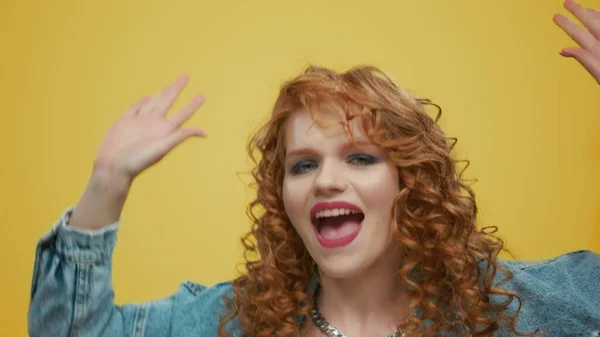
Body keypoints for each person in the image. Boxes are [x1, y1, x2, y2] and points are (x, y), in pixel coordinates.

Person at [27, 1, 600, 336]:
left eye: (360, 157)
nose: (326, 179)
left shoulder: (504, 306)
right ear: (283, 196)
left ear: (409, 182)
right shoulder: (236, 320)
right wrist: (107, 185)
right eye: (303, 164)